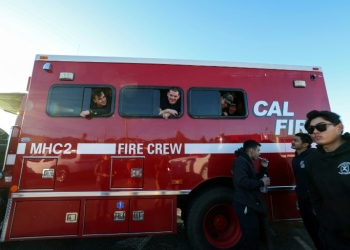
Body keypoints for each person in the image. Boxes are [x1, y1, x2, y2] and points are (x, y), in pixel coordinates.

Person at [304, 110, 350, 249]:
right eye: (311, 129)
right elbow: (314, 193)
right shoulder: (313, 160)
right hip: (332, 236)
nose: (315, 132)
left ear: (339, 128)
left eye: (321, 126)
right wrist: (323, 216)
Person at [232, 140, 270, 249]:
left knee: (252, 235)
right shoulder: (241, 161)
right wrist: (262, 182)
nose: (259, 153)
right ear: (251, 150)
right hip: (245, 204)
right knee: (250, 237)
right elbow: (241, 181)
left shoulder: (246, 160)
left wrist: (263, 168)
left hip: (248, 204)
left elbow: (251, 179)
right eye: (258, 150)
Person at [291, 133, 324, 250]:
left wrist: (317, 202)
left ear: (305, 144)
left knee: (320, 231)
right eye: (293, 140)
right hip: (303, 200)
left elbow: (321, 180)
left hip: (313, 202)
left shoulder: (313, 157)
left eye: (296, 140)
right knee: (311, 230)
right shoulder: (295, 158)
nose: (292, 142)